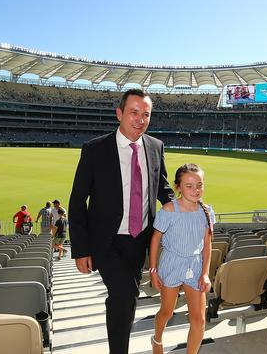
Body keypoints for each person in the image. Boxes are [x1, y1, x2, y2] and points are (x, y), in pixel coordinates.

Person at [69, 89, 174, 354]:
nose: (140, 119)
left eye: (146, 114)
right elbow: (77, 201)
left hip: (140, 241)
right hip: (107, 241)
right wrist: (81, 249)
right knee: (123, 296)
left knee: (127, 299)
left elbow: (161, 187)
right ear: (119, 114)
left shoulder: (155, 146)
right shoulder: (95, 149)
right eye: (134, 112)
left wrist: (183, 206)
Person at [149, 164, 214, 354]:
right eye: (189, 186)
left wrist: (205, 274)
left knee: (199, 319)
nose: (196, 190)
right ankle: (157, 339)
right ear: (178, 187)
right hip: (172, 264)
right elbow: (155, 239)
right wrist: (153, 271)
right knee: (166, 312)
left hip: (195, 266)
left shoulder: (207, 211)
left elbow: (207, 245)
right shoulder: (169, 210)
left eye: (199, 185)